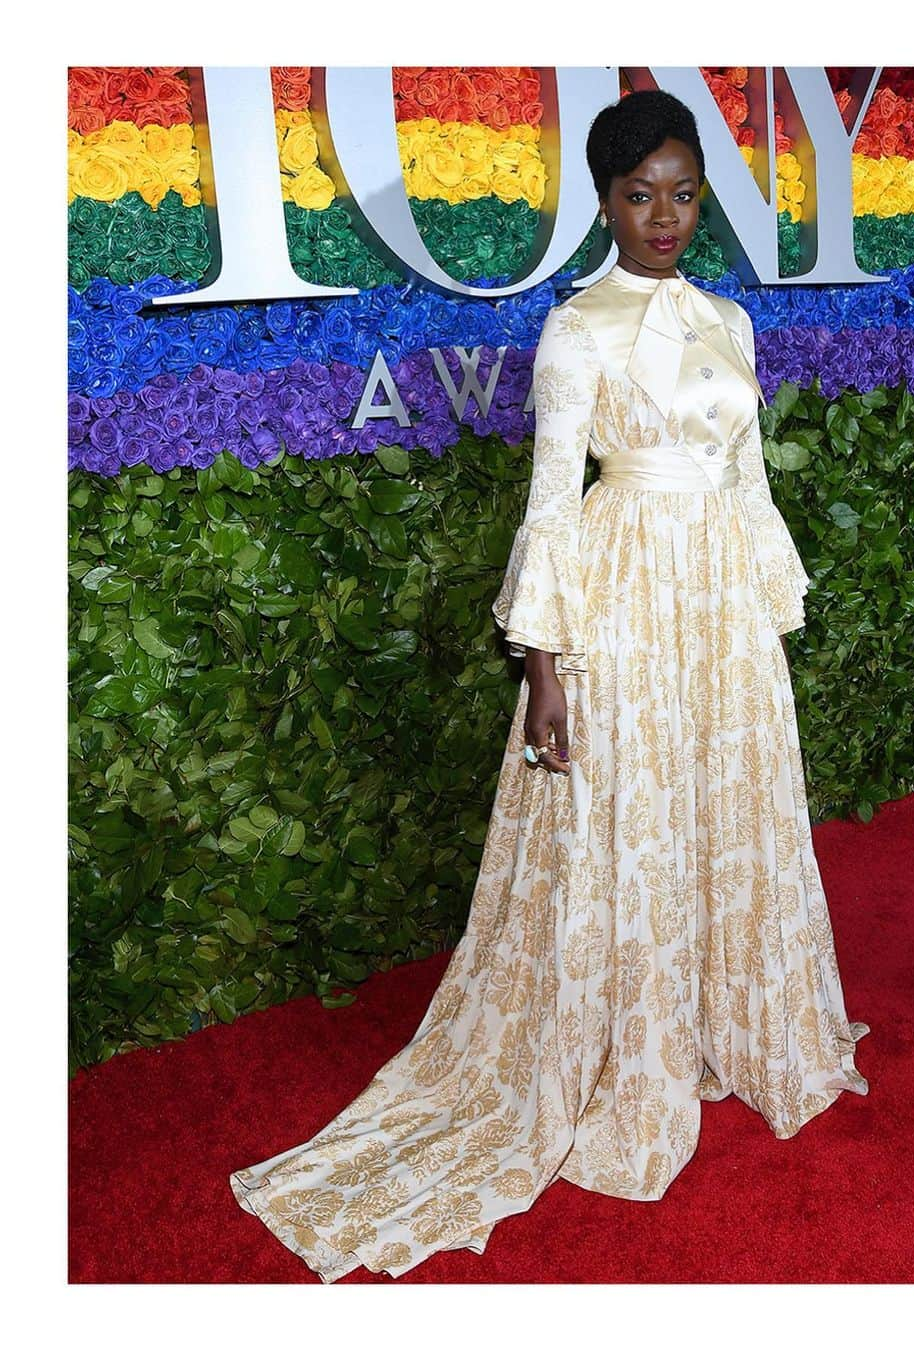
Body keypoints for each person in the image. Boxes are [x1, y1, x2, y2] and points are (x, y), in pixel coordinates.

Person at [229, 88, 869, 1283]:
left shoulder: (730, 316)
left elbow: (745, 481)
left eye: (683, 193)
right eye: (641, 194)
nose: (665, 216)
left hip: (718, 609)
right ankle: (619, 1046)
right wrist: (545, 666)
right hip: (622, 594)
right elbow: (548, 504)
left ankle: (716, 1018)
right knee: (617, 826)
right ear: (605, 200)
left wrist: (768, 614)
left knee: (717, 818)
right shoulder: (575, 330)